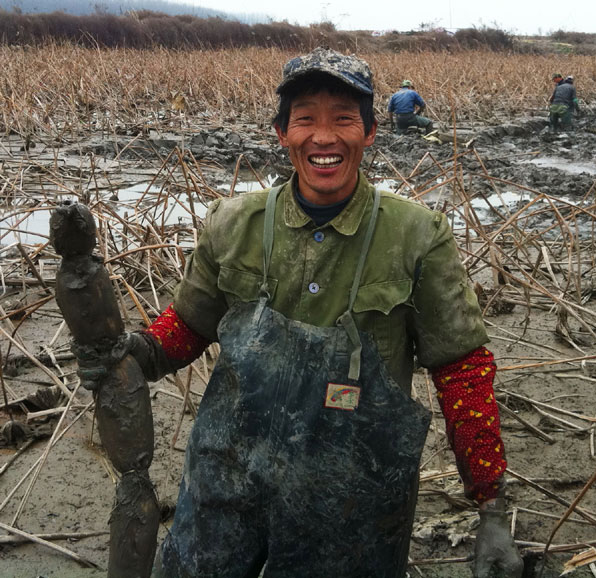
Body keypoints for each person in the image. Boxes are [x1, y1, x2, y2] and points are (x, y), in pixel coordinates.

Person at [79, 47, 523, 578]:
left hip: (355, 504)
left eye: (343, 119)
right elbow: (186, 329)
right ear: (281, 133)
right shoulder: (232, 224)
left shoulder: (416, 236)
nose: (324, 136)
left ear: (371, 132)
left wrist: (491, 506)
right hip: (227, 482)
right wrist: (135, 354)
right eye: (306, 118)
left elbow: (461, 371)